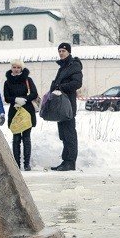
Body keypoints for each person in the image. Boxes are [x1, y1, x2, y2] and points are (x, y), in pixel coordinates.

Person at [48, 42, 82, 171]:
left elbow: (77, 83)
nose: (61, 53)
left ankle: (70, 162)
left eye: (63, 51)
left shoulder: (74, 66)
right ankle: (65, 160)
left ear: (69, 52)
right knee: (63, 133)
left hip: (68, 104)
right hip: (60, 104)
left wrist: (60, 87)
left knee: (69, 134)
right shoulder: (62, 67)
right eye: (60, 51)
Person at [3, 59, 38, 171]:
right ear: (11, 68)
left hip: (27, 111)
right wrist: (15, 100)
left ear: (21, 68)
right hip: (14, 111)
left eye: (18, 67)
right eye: (14, 67)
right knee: (16, 138)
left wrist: (25, 99)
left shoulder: (28, 80)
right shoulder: (7, 82)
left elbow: (34, 93)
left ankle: (26, 164)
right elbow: (7, 97)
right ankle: (16, 164)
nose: (16, 69)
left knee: (26, 138)